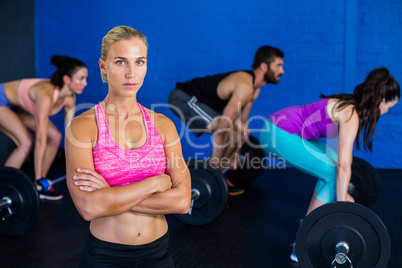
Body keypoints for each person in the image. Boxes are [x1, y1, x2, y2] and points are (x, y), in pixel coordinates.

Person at [65, 26, 191, 267]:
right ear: (103, 66)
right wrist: (155, 183)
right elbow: (89, 207)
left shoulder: (163, 125)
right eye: (121, 62)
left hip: (159, 255)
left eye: (140, 62)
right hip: (105, 257)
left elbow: (183, 202)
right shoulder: (83, 128)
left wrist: (110, 194)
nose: (132, 73)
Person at [258, 67, 400, 262]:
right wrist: (343, 207)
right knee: (334, 173)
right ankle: (304, 241)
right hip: (279, 133)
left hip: (278, 127)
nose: (386, 112)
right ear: (382, 100)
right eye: (389, 108)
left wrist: (341, 196)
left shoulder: (349, 105)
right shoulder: (351, 115)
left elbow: (338, 159)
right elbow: (343, 167)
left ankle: (311, 222)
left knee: (331, 170)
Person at [168, 45, 285, 195]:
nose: (282, 71)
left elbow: (242, 124)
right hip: (184, 98)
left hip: (206, 104)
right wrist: (216, 164)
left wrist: (235, 154)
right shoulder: (245, 86)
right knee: (224, 130)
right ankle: (209, 179)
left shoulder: (255, 89)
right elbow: (222, 128)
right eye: (279, 66)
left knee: (242, 131)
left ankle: (216, 178)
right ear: (264, 66)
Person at [0, 55, 88, 200]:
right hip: (2, 101)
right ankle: (5, 188)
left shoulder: (70, 97)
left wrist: (82, 161)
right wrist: (39, 175)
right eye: (81, 78)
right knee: (26, 142)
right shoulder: (46, 95)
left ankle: (38, 187)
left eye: (86, 78)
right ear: (67, 79)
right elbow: (40, 139)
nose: (85, 83)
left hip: (18, 107)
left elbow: (70, 134)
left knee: (55, 137)